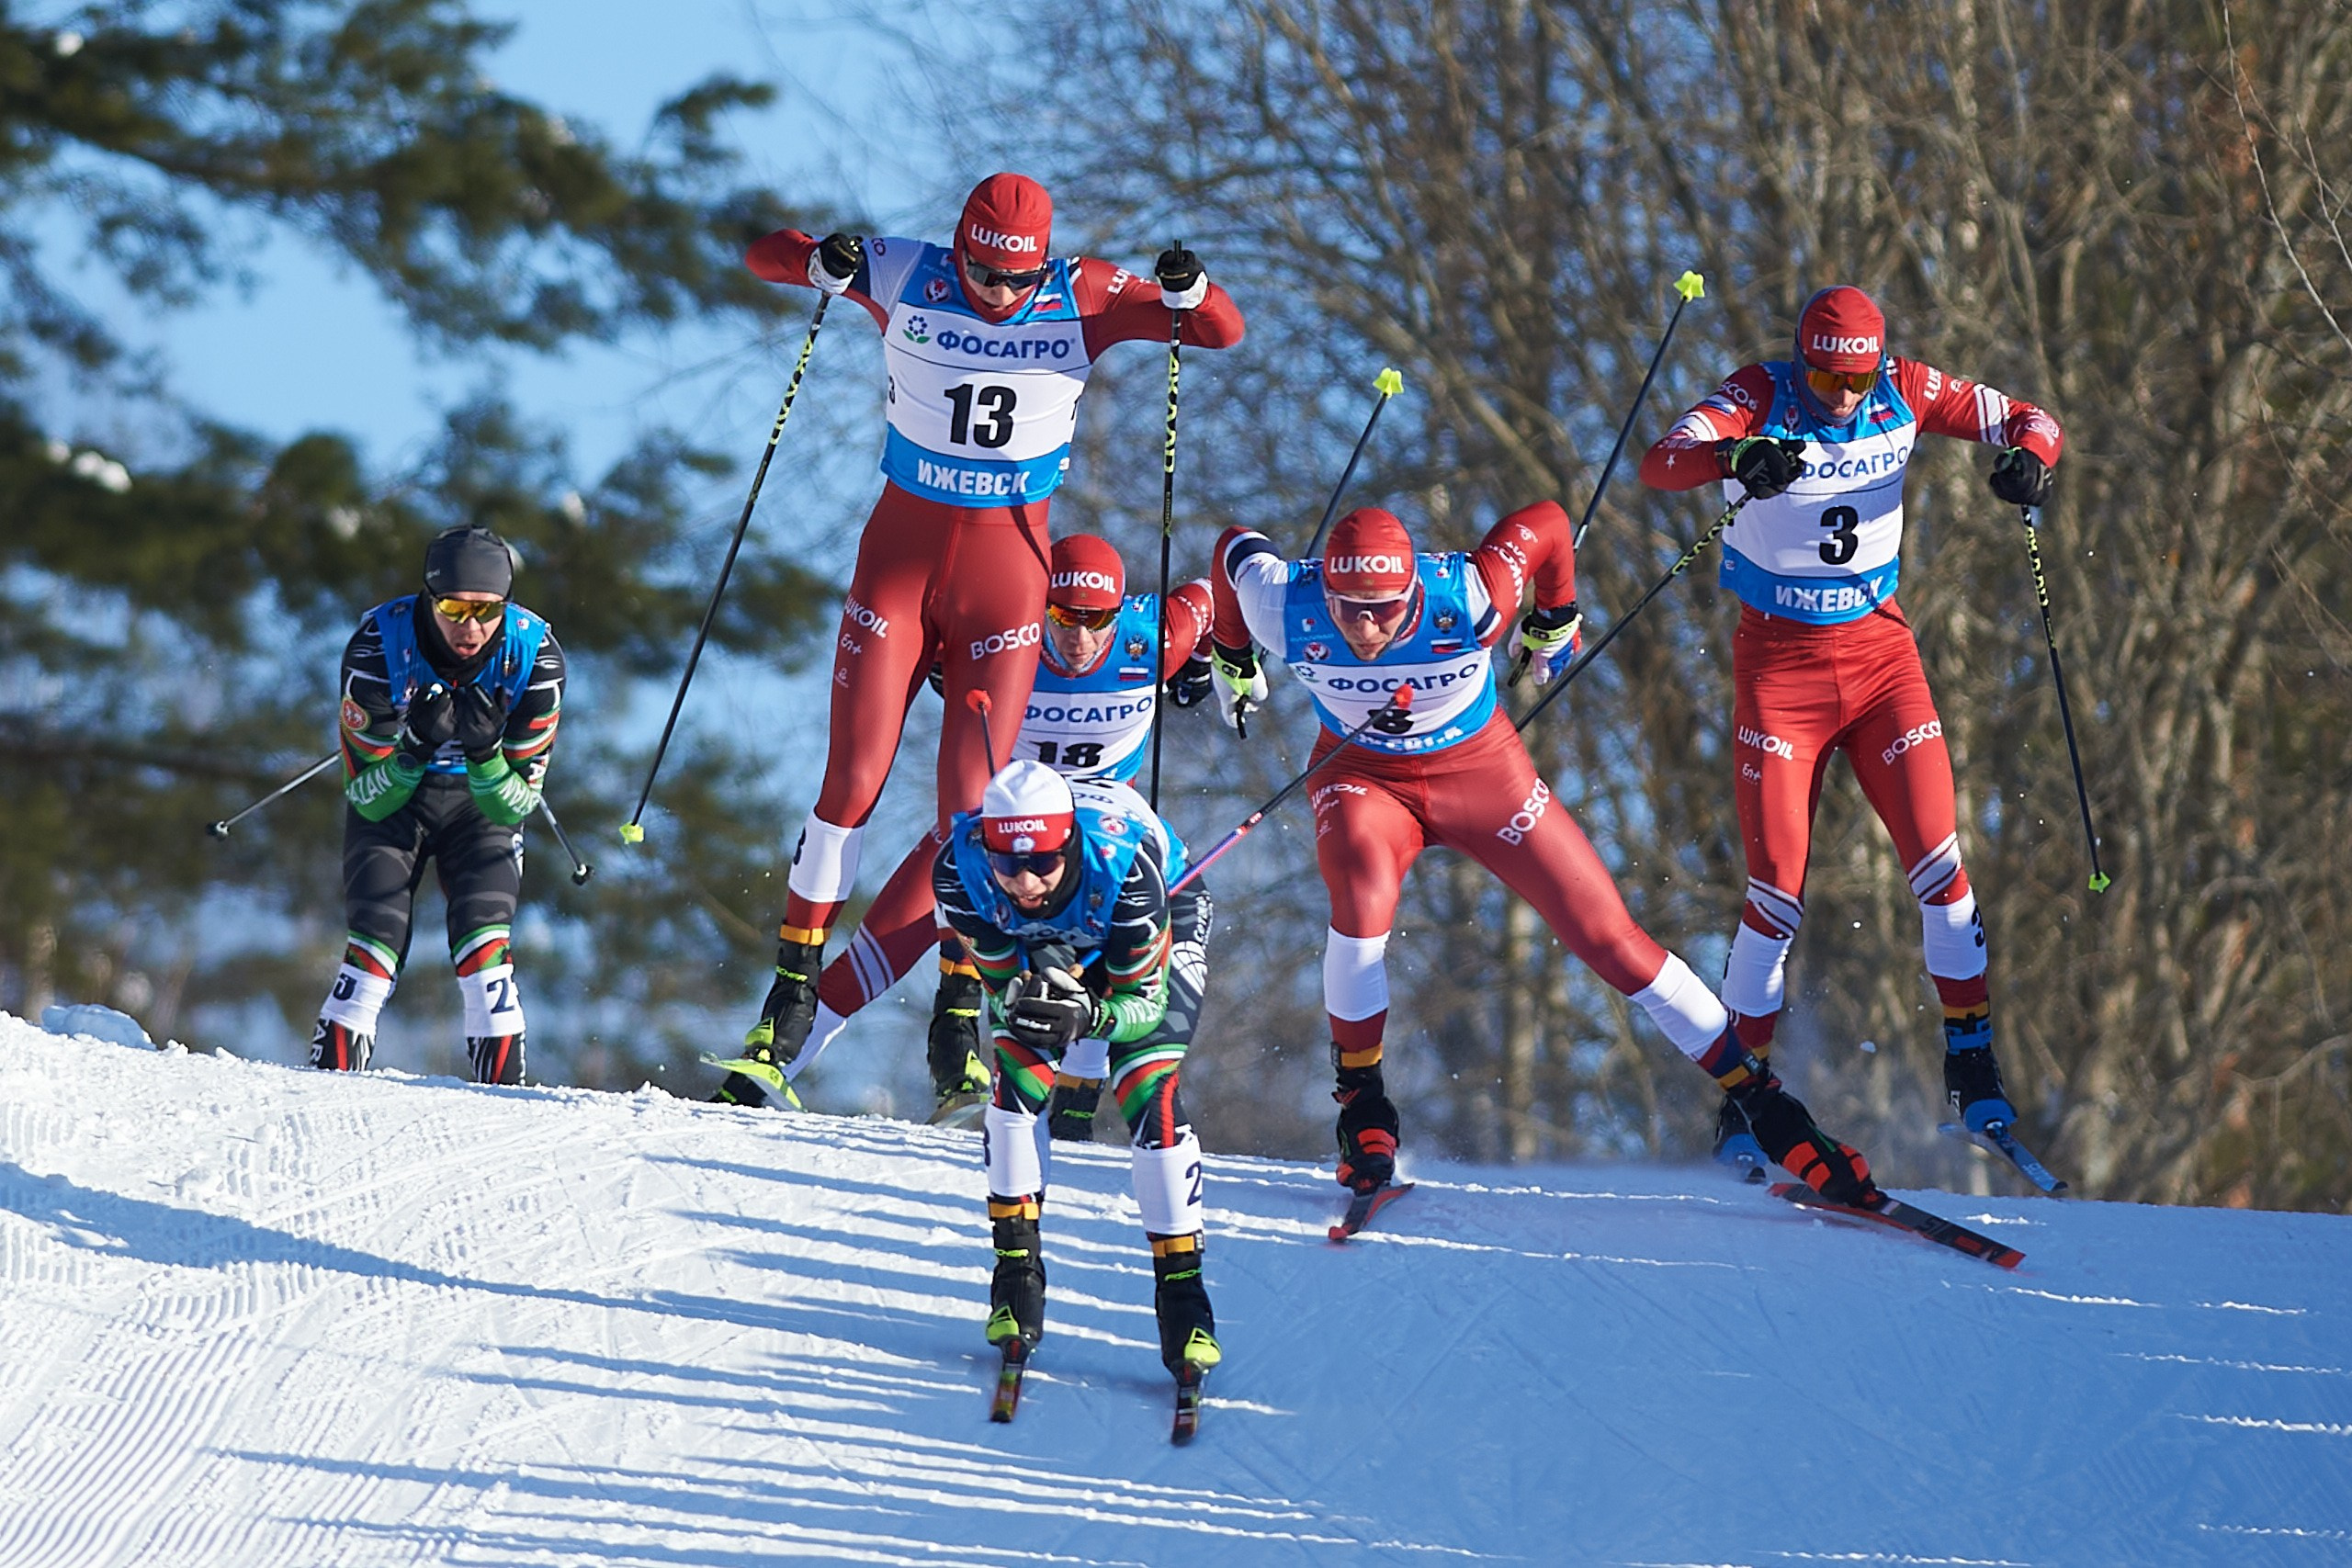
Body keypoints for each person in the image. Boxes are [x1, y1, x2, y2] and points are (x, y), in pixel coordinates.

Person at [722, 172, 1245, 1104]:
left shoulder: (1081, 291)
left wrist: (1185, 289)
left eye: (1013, 281)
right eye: (978, 273)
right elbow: (763, 256)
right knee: (850, 784)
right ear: (956, 247)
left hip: (1005, 586)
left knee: (975, 811)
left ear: (1040, 265)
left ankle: (957, 1014)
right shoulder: (905, 269)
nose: (994, 296)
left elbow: (1218, 331)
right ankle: (789, 998)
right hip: (901, 561)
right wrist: (820, 260)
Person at [1208, 501, 1882, 1203]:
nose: (1367, 627)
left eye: (1384, 609)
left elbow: (1551, 523)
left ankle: (1767, 1106)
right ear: (1327, 593)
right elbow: (1231, 545)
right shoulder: (1282, 601)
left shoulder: (1468, 597)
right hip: (1363, 779)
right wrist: (1231, 650)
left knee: (1610, 939)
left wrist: (1553, 613)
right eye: (1349, 609)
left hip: (1481, 774)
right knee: (1360, 907)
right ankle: (1364, 1109)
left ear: (1412, 590)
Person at [1636, 284, 2064, 1154]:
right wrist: (1736, 457)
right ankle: (1746, 1104)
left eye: (1857, 380)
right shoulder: (1757, 392)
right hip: (1779, 672)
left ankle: (1972, 1064)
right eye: (1828, 378)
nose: (1842, 396)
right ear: (1804, 361)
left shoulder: (1905, 385)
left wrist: (2031, 461)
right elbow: (1662, 460)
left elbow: (2032, 417)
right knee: (1775, 901)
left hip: (1880, 663)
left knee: (1942, 872)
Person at [712, 533, 1216, 1132]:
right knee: (896, 930)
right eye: (1062, 616)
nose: (1078, 637)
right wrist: (939, 658)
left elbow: (1216, 592)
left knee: (1113, 954)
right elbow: (934, 627)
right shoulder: (1015, 635)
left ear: (1118, 610)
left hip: (1101, 830)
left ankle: (1070, 1113)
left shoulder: (1151, 636)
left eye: (1095, 619)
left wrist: (1219, 658)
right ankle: (757, 1079)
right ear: (1042, 605)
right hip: (1004, 824)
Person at [933, 758, 1220, 1380]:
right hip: (1054, 943)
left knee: (1149, 1090)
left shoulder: (1128, 868)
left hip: (1157, 915)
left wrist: (1088, 1013)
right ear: (989, 849)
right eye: (1009, 864)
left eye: (1042, 863)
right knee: (1014, 1089)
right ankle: (1015, 1275)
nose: (1026, 881)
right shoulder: (960, 872)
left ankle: (1183, 1298)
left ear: (1068, 844)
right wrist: (1030, 998)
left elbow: (1142, 1007)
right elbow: (1005, 989)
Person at [311, 525, 565, 1084]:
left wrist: (484, 755)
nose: (471, 627)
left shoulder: (536, 657)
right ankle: (328, 1083)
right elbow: (367, 798)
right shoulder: (378, 646)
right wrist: (414, 750)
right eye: (454, 607)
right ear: (429, 597)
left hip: (479, 805)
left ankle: (504, 1096)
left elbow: (514, 805)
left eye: (488, 610)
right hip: (397, 802)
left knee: (485, 942)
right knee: (377, 937)